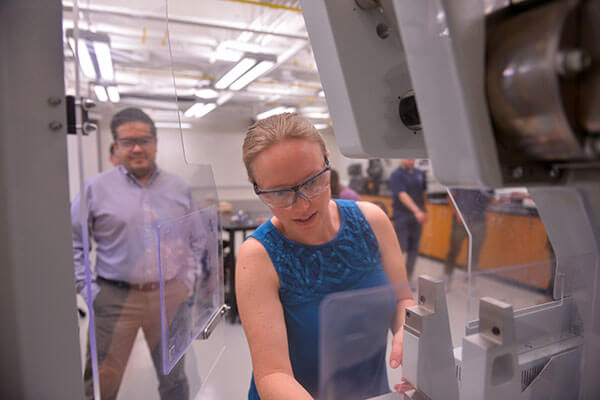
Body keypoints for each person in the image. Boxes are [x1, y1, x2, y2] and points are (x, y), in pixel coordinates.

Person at [235, 113, 414, 400]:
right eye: (280, 193)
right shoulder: (258, 256)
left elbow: (403, 299)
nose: (301, 205)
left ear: (327, 162)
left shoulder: (373, 221)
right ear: (256, 187)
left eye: (312, 182)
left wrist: (407, 330)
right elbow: (272, 374)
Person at [72, 107, 194, 400]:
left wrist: (189, 280)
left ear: (155, 143)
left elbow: (193, 240)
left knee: (175, 380)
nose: (137, 148)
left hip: (169, 296)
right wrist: (90, 291)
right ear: (116, 146)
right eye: (128, 142)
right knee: (102, 382)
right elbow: (74, 244)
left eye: (145, 140)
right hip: (114, 297)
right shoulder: (95, 188)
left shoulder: (179, 188)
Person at [389, 159, 428, 279]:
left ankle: (408, 277)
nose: (410, 161)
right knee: (400, 248)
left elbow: (423, 193)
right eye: (407, 158)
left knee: (414, 249)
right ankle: (396, 278)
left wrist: (424, 210)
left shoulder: (420, 173)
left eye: (412, 158)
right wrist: (417, 211)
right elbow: (402, 195)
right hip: (402, 215)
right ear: (402, 159)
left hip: (417, 217)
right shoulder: (396, 175)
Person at [444, 189, 494, 276]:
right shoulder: (461, 176)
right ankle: (447, 276)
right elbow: (450, 196)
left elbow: (491, 199)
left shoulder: (485, 179)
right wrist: (457, 213)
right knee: (453, 251)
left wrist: (502, 199)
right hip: (461, 221)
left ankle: (469, 279)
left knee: (474, 254)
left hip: (479, 222)